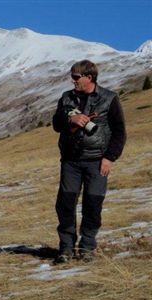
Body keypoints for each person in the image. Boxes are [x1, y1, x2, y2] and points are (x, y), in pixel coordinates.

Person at [52, 60, 126, 264]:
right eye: (72, 76)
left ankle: (87, 248)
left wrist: (109, 158)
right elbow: (56, 124)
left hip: (97, 162)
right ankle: (66, 249)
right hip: (70, 161)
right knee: (65, 205)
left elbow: (119, 131)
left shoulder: (109, 98)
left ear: (89, 78)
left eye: (76, 77)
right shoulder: (67, 97)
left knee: (93, 205)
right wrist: (70, 120)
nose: (72, 80)